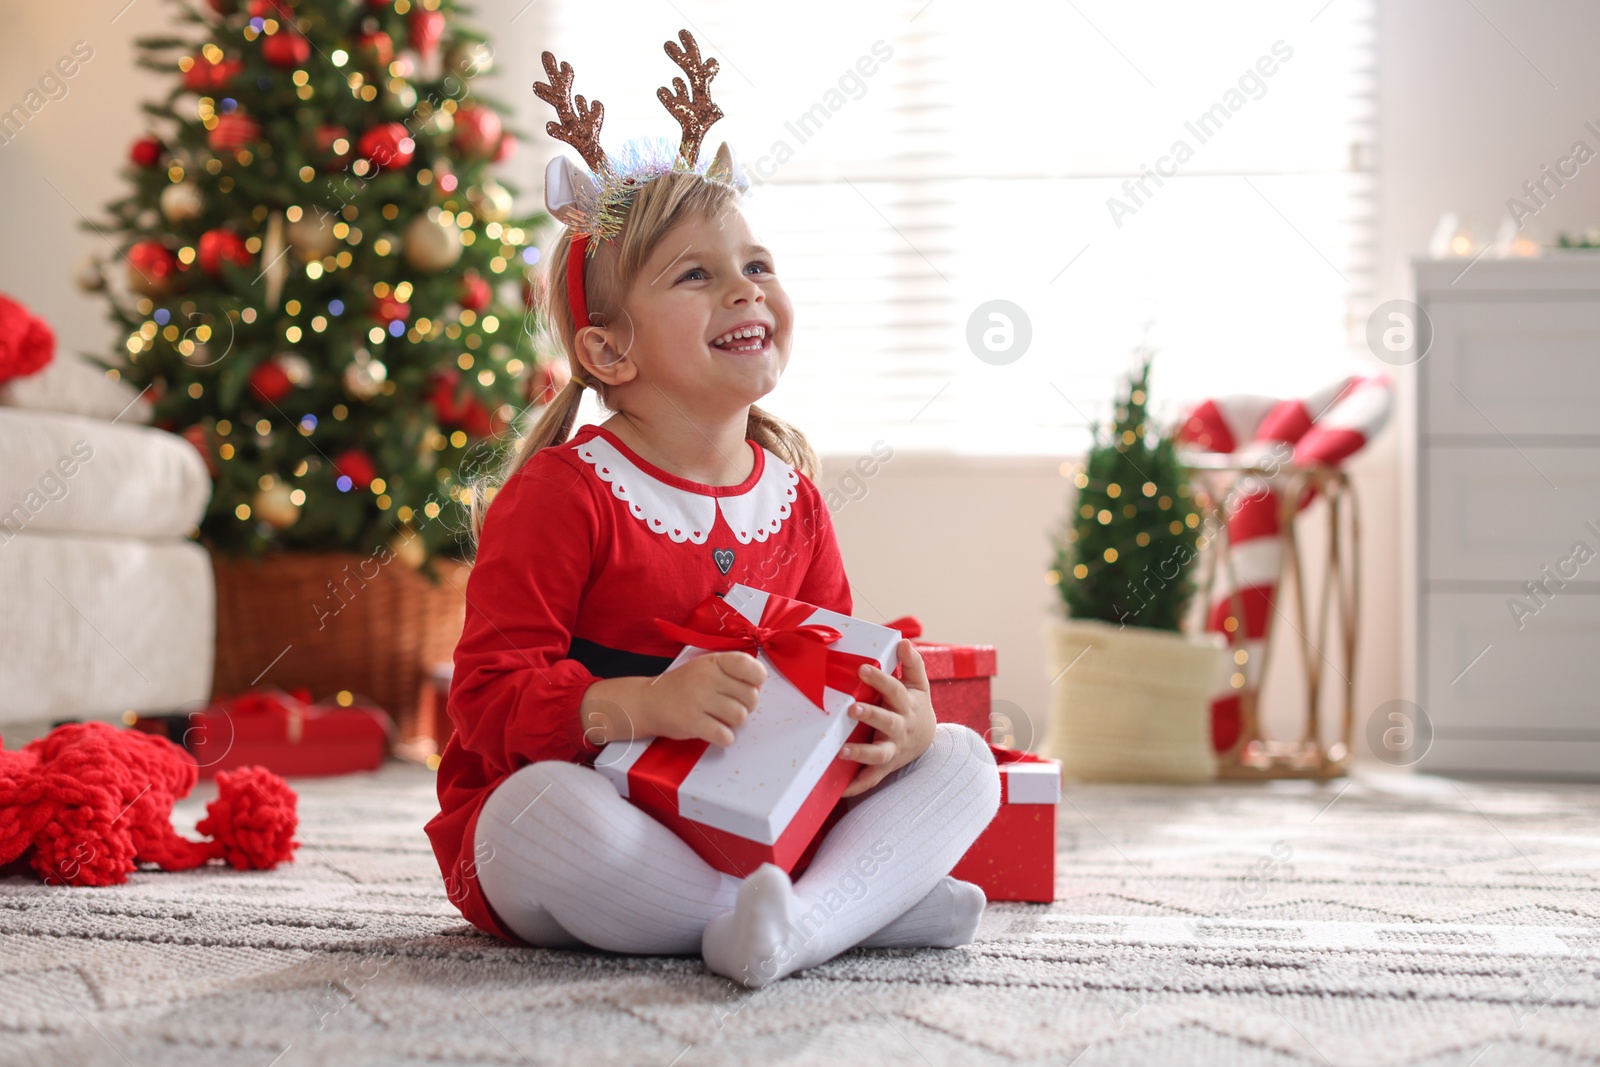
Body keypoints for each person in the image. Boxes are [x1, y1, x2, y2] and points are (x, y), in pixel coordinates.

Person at [424, 32, 999, 989]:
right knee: (530, 818)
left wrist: (900, 727)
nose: (745, 287)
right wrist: (639, 706)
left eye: (757, 263)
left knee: (968, 762)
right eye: (696, 275)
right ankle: (834, 914)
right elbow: (484, 702)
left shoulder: (795, 500)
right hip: (608, 819)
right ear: (610, 355)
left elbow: (839, 668)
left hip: (760, 821)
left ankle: (793, 916)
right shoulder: (568, 494)